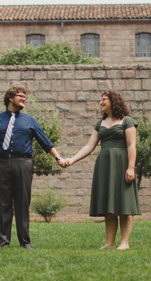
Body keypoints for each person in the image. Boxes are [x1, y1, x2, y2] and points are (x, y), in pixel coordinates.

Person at [0, 86, 64, 248]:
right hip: (1, 164)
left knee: (23, 202)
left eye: (25, 96)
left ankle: (25, 242)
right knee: (2, 203)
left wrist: (58, 157)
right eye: (20, 96)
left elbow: (44, 141)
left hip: (23, 163)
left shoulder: (29, 120)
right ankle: (3, 241)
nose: (24, 98)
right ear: (10, 98)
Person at [60, 91, 140, 250]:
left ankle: (124, 242)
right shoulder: (100, 123)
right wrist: (72, 159)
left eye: (104, 99)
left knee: (125, 204)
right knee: (108, 205)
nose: (100, 102)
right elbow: (90, 146)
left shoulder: (127, 121)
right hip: (105, 165)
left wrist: (131, 167)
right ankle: (110, 242)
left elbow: (131, 146)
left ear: (114, 101)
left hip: (122, 163)